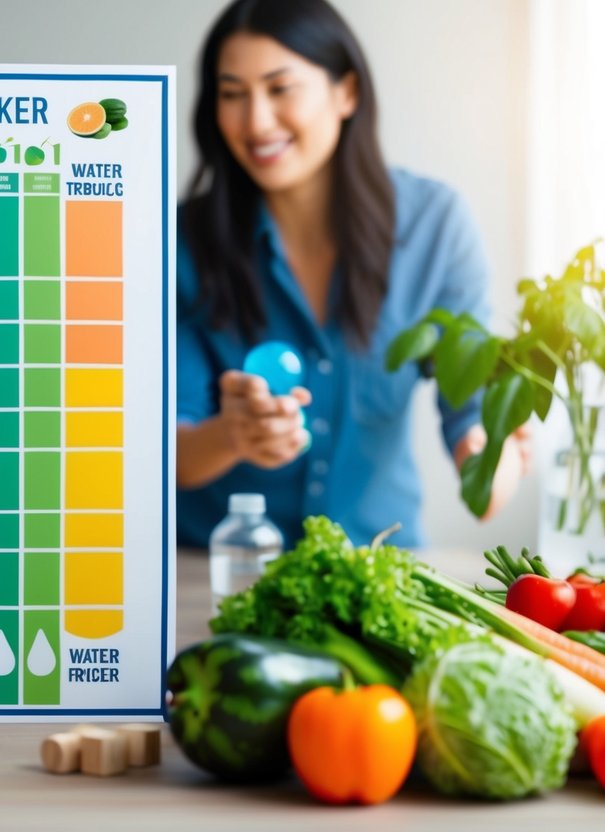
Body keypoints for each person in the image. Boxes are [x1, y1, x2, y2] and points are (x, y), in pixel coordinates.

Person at [176, 0, 530, 549]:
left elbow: (471, 414)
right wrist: (234, 434)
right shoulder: (182, 241)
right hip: (219, 571)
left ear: (346, 91)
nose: (256, 121)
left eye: (280, 87)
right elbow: (167, 450)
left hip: (381, 563)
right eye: (231, 93)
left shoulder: (434, 225)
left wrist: (493, 459)